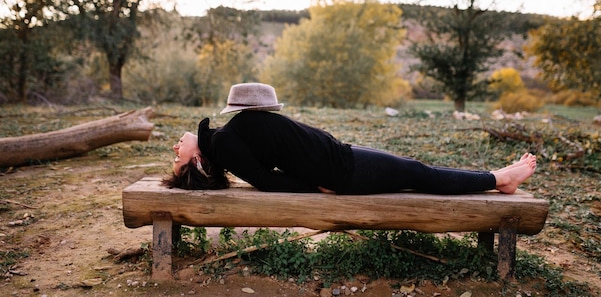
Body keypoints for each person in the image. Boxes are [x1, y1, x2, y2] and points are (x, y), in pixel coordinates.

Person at [164, 83, 536, 195]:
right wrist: (315, 186)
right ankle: (500, 179)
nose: (175, 148)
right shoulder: (224, 146)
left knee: (417, 171)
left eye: (175, 151)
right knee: (419, 174)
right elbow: (264, 182)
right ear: (197, 161)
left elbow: (266, 167)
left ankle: (497, 178)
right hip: (341, 172)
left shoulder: (225, 139)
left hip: (341, 157)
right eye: (178, 157)